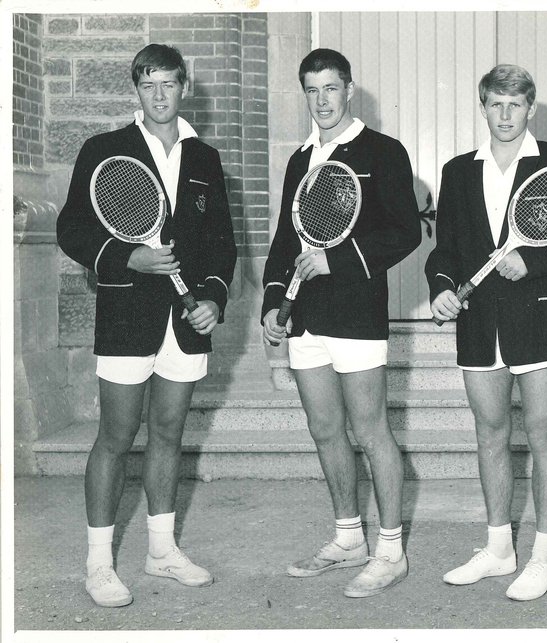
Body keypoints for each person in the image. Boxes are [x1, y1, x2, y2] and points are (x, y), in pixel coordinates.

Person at [56, 44, 236, 608]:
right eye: (149, 85)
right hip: (126, 318)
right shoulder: (105, 150)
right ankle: (98, 563)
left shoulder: (205, 158)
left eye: (170, 84)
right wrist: (125, 256)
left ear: (185, 87)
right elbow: (72, 230)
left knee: (168, 435)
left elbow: (222, 247)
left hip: (185, 325)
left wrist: (213, 299)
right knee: (115, 437)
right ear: (136, 89)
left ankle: (161, 552)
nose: (160, 96)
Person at [425, 64, 547, 601]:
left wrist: (539, 260)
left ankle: (543, 554)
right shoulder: (458, 171)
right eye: (496, 104)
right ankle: (499, 547)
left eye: (515, 105)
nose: (505, 115)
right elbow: (447, 249)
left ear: (530, 108)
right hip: (480, 323)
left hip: (540, 316)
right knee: (490, 433)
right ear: (483, 107)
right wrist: (440, 286)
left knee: (544, 434)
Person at [261, 48, 421, 598]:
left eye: (331, 88)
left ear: (349, 89)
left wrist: (338, 258)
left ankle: (391, 550)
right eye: (312, 90)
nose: (321, 100)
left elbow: (405, 233)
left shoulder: (383, 151)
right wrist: (272, 299)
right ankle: (349, 537)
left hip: (357, 315)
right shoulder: (298, 159)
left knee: (371, 430)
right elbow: (286, 238)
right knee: (325, 430)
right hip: (306, 318)